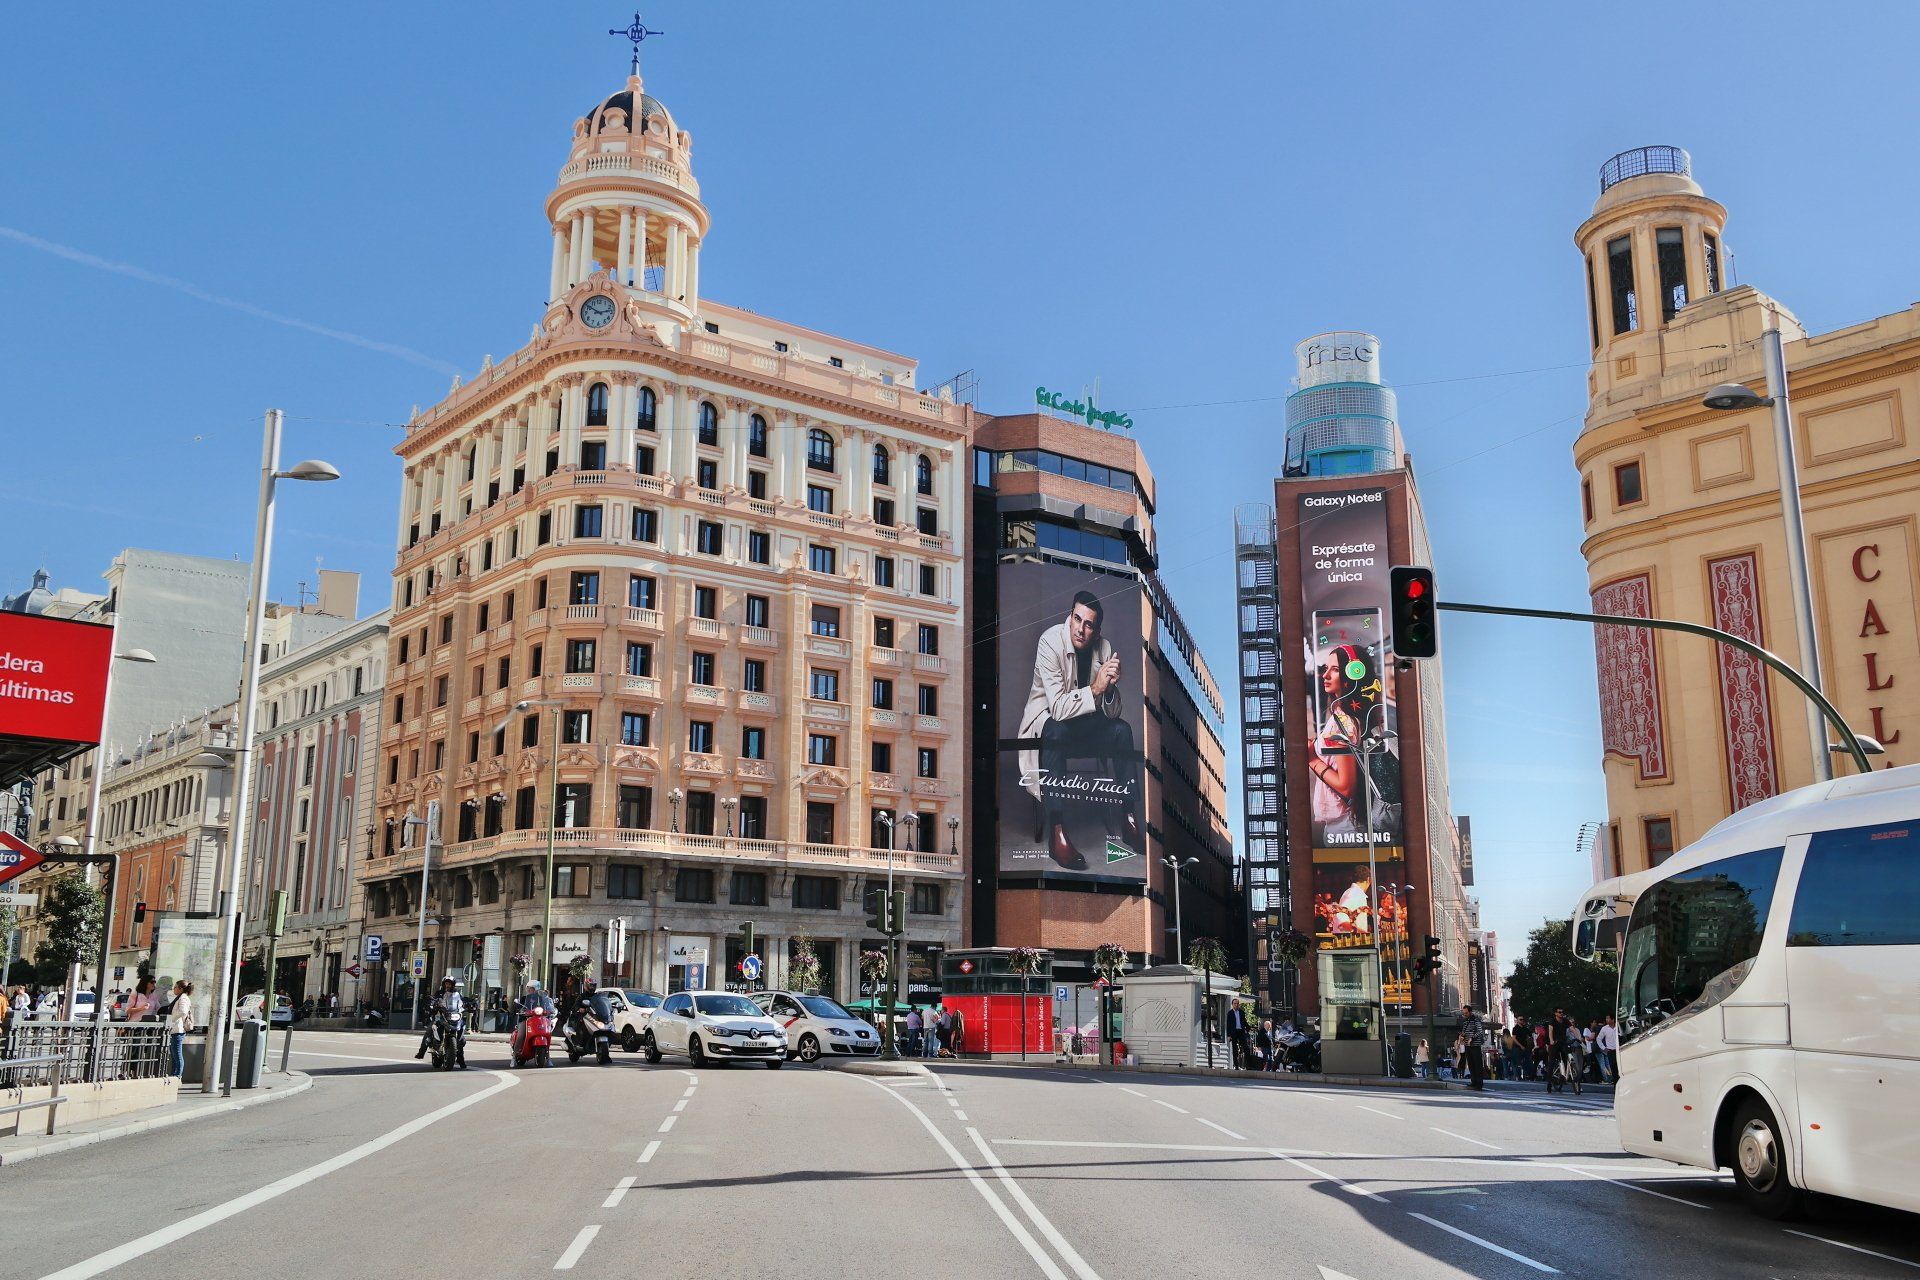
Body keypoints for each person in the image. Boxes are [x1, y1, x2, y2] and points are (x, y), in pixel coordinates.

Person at [1017, 589, 1142, 870]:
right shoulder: (1050, 641)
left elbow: (1111, 713)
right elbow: (1059, 709)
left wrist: (1109, 689)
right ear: (1070, 617)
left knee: (1122, 730)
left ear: (1097, 632)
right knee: (1056, 732)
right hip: (1049, 723)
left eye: (1089, 624)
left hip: (1086, 725)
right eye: (1077, 619)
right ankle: (1057, 830)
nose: (1080, 629)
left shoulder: (1104, 648)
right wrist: (1097, 686)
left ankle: (1129, 815)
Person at [417, 977, 466, 1063]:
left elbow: (462, 1001)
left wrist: (469, 1003)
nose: (448, 985)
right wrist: (432, 1003)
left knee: (461, 1035)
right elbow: (433, 999)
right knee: (429, 1030)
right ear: (444, 984)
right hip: (440, 1015)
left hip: (453, 1015)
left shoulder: (456, 993)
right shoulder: (439, 992)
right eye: (446, 983)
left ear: (453, 984)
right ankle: (421, 1052)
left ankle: (461, 1059)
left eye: (450, 983)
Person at [164, 981, 194, 1079]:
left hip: (178, 1029)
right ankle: (174, 1075)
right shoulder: (180, 997)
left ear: (181, 989)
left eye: (175, 987)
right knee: (174, 1055)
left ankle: (177, 1076)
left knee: (177, 1055)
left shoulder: (183, 998)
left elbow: (183, 1011)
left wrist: (171, 1019)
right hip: (175, 1029)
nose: (174, 989)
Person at [1460, 1005, 1487, 1091]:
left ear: (1470, 1012)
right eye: (1464, 1013)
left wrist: (1472, 1037)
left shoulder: (1476, 1020)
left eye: (1466, 1013)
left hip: (1475, 1045)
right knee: (1471, 1064)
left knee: (1477, 1064)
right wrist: (1461, 1036)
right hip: (1467, 1045)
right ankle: (1474, 1081)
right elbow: (1464, 1032)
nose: (1465, 1014)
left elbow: (1479, 1032)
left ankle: (1479, 1083)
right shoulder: (1465, 1021)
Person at [1596, 1014, 1619, 1083]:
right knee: (1613, 1068)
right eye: (1606, 1018)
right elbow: (1598, 1038)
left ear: (1613, 1019)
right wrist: (1603, 1048)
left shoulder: (1618, 1026)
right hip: (1610, 1051)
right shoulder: (1604, 1028)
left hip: (1619, 1050)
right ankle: (1615, 1083)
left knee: (1619, 1067)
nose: (1606, 1020)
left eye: (1608, 1018)